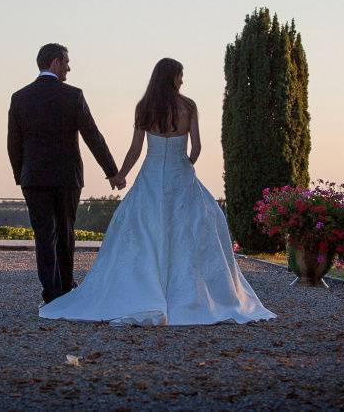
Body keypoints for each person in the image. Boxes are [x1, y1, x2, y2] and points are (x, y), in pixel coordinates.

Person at [39, 58, 276, 326]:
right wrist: (185, 165)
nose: (182, 80)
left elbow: (135, 150)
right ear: (172, 77)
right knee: (196, 226)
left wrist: (120, 175)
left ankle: (142, 288)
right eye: (180, 75)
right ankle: (192, 296)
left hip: (150, 177)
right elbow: (196, 147)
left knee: (143, 229)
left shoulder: (145, 107)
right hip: (180, 174)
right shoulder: (188, 106)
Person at [8, 43, 124, 305]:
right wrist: (112, 172)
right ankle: (67, 288)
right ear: (56, 62)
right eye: (67, 62)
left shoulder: (20, 97)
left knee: (43, 234)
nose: (69, 68)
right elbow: (93, 136)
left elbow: (13, 143)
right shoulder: (73, 96)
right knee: (65, 231)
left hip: (33, 178)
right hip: (66, 177)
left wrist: (21, 174)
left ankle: (50, 293)